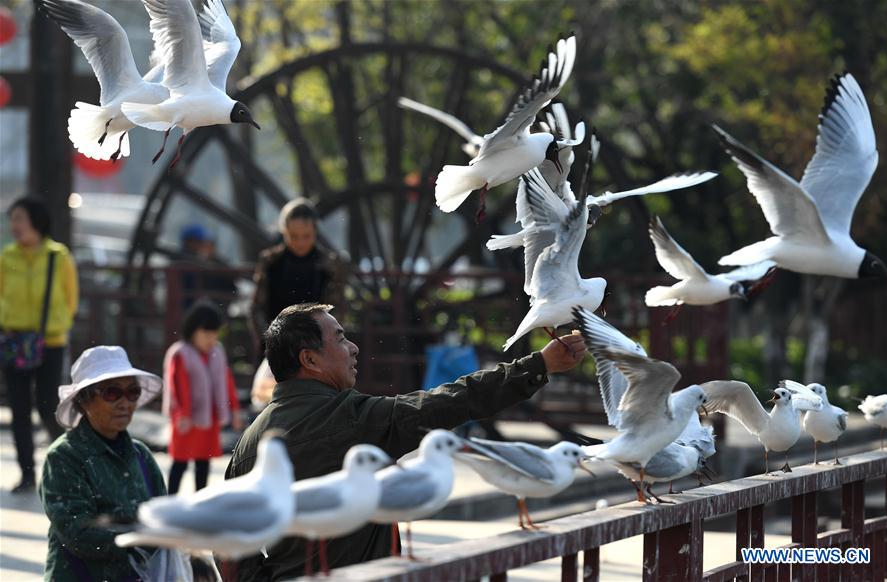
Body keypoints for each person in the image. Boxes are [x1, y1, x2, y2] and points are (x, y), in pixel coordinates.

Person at [224, 303, 586, 580]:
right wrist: (538, 365)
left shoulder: (248, 444)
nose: (353, 348)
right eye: (340, 338)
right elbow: (449, 402)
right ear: (309, 359)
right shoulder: (354, 417)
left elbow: (230, 546)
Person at [40, 345, 166, 582]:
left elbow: (162, 514)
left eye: (132, 392)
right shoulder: (63, 456)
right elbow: (79, 533)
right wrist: (142, 538)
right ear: (84, 400)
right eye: (112, 393)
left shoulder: (142, 456)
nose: (125, 403)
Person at [1, 197, 79, 493]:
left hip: (50, 341)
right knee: (19, 411)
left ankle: (63, 469)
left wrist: (55, 326)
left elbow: (71, 300)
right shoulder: (7, 256)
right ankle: (27, 474)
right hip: (15, 342)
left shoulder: (58, 257)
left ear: (36, 220)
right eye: (13, 220)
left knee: (48, 407)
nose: (15, 226)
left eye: (19, 218)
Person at [248, 198, 347, 361]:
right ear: (284, 232)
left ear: (315, 231)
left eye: (306, 236)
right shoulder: (270, 261)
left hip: (317, 347)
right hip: (276, 347)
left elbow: (338, 309)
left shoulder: (329, 265)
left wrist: (324, 342)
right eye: (293, 236)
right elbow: (256, 308)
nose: (300, 242)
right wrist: (267, 340)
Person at [163, 300, 243, 494]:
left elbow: (226, 381)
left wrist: (234, 410)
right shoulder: (181, 353)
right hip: (186, 418)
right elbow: (177, 385)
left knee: (203, 461)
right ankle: (170, 499)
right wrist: (183, 413)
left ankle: (200, 497)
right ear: (193, 330)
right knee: (179, 461)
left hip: (210, 417)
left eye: (214, 334)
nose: (211, 339)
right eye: (206, 334)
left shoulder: (217, 352)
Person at [176, 223, 237, 311]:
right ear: (190, 242)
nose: (202, 244)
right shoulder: (185, 261)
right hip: (192, 308)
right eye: (200, 241)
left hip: (205, 306)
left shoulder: (200, 260)